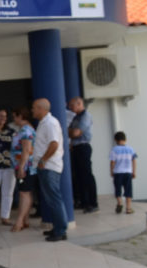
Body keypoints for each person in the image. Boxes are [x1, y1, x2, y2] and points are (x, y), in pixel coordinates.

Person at [32, 98, 68, 242]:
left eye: (34, 108)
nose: (32, 110)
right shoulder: (44, 123)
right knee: (51, 199)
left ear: (42, 109)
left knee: (54, 199)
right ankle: (57, 227)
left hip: (49, 166)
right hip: (46, 166)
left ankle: (60, 231)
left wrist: (43, 159)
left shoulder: (50, 123)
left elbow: (54, 143)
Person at [68, 97, 98, 213]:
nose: (70, 108)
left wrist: (71, 132)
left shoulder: (86, 116)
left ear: (79, 104)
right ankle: (83, 201)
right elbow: (69, 131)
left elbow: (75, 132)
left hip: (83, 147)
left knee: (86, 175)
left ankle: (92, 202)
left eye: (72, 105)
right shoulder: (76, 117)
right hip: (75, 148)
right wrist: (71, 132)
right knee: (78, 176)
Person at [10, 106, 37, 232]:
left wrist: (21, 167)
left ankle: (19, 221)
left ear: (20, 116)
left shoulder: (26, 131)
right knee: (26, 192)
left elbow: (26, 150)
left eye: (14, 116)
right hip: (23, 165)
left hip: (26, 166)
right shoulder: (23, 129)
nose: (13, 119)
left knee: (24, 193)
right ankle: (25, 220)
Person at [109, 131, 137, 215]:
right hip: (128, 172)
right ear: (125, 139)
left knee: (118, 189)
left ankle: (120, 203)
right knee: (128, 190)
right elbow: (134, 161)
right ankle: (128, 208)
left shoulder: (114, 150)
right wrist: (134, 171)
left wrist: (111, 171)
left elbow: (112, 162)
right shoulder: (131, 149)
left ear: (115, 140)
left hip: (118, 172)